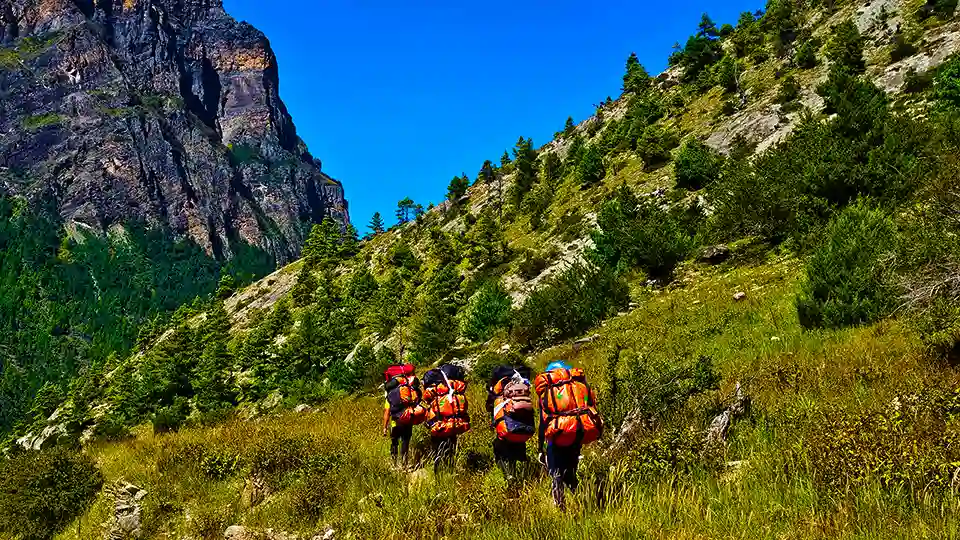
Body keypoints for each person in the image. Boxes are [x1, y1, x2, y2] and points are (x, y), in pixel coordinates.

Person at [534, 360, 603, 510]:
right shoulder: (579, 387)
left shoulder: (548, 392)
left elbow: (542, 422)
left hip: (557, 437)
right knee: (571, 471)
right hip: (577, 434)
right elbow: (590, 407)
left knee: (555, 473)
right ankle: (583, 501)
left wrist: (540, 448)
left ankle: (560, 508)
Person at [486, 365, 535, 492]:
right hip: (523, 427)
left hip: (505, 426)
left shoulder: (498, 388)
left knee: (500, 450)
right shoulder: (522, 385)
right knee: (517, 449)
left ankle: (509, 475)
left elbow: (489, 406)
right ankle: (521, 475)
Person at [423, 364, 470, 477]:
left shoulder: (435, 388)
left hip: (439, 424)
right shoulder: (458, 388)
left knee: (438, 450)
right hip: (455, 424)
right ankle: (450, 471)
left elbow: (426, 398)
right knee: (451, 448)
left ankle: (439, 476)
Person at [383, 363, 426, 470]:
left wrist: (384, 427)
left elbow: (387, 411)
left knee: (394, 441)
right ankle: (405, 465)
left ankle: (394, 464)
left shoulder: (391, 394)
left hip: (395, 421)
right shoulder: (410, 391)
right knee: (405, 441)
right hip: (408, 418)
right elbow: (417, 401)